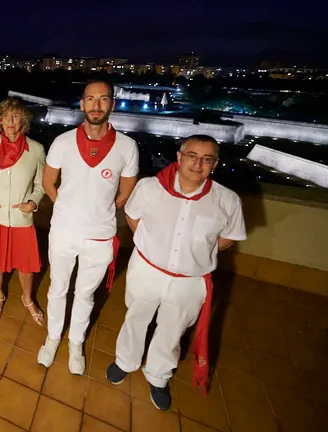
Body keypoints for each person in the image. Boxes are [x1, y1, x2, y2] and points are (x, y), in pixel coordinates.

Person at [106, 135, 246, 411]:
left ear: (214, 164)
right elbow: (133, 218)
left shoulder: (227, 200)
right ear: (180, 157)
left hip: (189, 281)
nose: (198, 163)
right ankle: (125, 361)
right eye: (192, 156)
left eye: (207, 159)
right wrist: (154, 247)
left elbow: (229, 238)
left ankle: (159, 376)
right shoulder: (150, 187)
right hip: (147, 270)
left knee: (173, 330)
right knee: (135, 318)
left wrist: (194, 254)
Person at [40, 79, 139, 375]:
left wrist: (101, 211)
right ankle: (53, 337)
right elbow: (48, 182)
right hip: (63, 231)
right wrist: (64, 206)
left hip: (100, 235)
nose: (96, 105)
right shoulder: (63, 141)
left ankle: (75, 342)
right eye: (90, 99)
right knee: (58, 288)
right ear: (81, 104)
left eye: (103, 99)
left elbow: (126, 192)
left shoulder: (127, 146)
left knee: (85, 294)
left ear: (112, 104)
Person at [0, 98, 46, 326]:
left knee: (26, 265)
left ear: (23, 120)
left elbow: (41, 183)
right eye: (6, 116)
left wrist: (33, 203)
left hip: (21, 218)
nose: (10, 121)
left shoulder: (36, 150)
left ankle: (27, 298)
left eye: (15, 116)